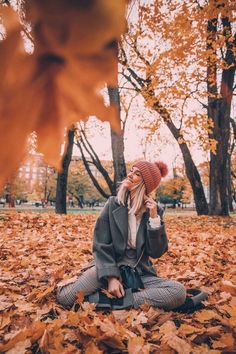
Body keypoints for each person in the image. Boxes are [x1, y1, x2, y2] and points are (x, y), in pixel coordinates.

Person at [56, 160, 186, 311]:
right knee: (65, 297)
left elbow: (156, 252)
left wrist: (154, 220)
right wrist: (111, 277)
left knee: (178, 292)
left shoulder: (154, 212)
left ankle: (113, 302)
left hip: (138, 273)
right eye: (132, 171)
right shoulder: (113, 204)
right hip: (108, 266)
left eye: (137, 174)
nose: (130, 175)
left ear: (146, 184)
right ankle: (117, 299)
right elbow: (100, 244)